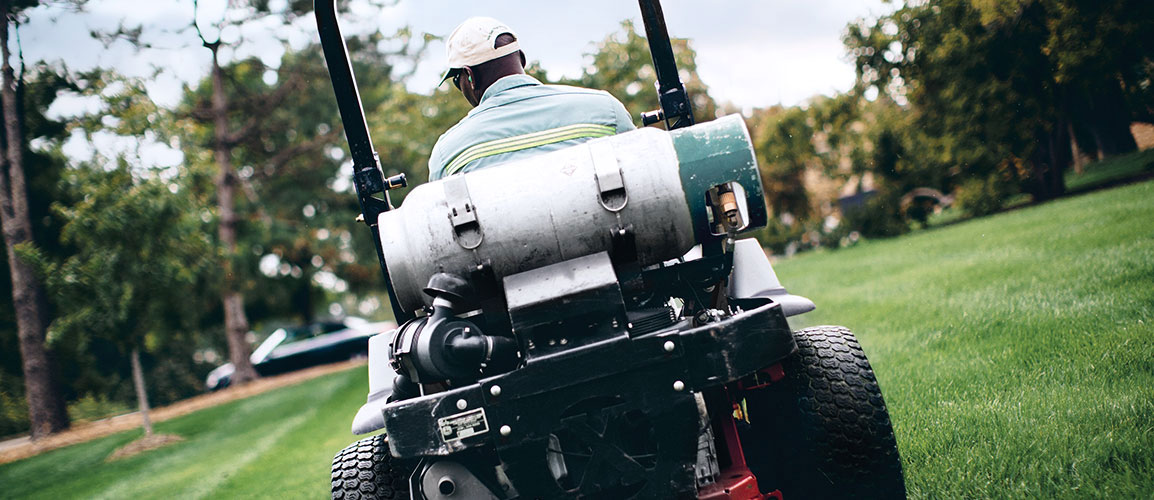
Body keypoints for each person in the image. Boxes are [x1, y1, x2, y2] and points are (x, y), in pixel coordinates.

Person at [428, 17, 636, 181]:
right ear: (522, 59)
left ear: (470, 77)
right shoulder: (606, 110)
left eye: (457, 80)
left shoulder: (448, 153)